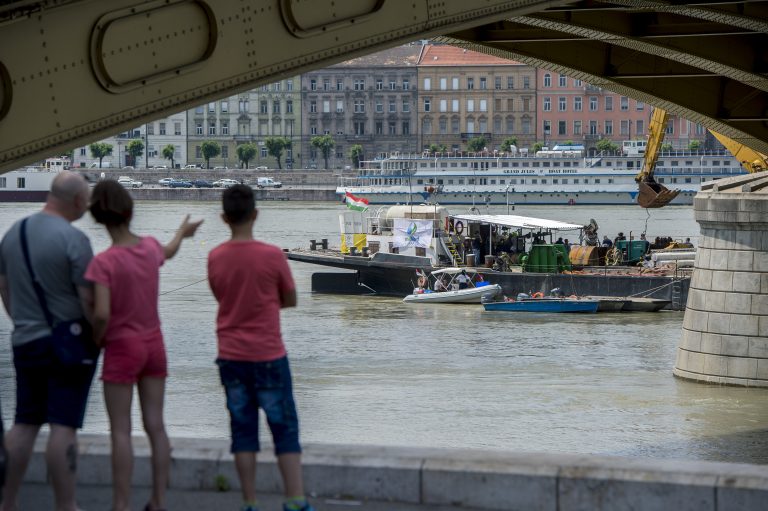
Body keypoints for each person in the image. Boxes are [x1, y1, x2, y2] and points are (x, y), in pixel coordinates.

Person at [85, 181, 202, 511]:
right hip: (154, 345)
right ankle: (158, 500)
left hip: (122, 348)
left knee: (120, 430)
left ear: (98, 218)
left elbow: (103, 314)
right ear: (129, 210)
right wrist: (182, 231)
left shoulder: (103, 263)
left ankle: (121, 504)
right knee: (156, 425)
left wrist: (96, 338)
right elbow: (170, 250)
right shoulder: (150, 247)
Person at [208, 185, 315, 511]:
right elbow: (291, 299)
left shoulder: (215, 256)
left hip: (231, 356)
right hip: (269, 354)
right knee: (284, 428)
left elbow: (220, 295)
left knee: (242, 432)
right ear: (256, 214)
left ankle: (249, 502)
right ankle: (295, 501)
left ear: (224, 218)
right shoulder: (272, 255)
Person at [0, 171, 95, 511]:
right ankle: (65, 505)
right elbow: (88, 302)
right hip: (65, 345)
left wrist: (24, 323)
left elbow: (5, 291)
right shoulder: (75, 241)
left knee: (24, 423)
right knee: (62, 426)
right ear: (78, 202)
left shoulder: (13, 234)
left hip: (25, 339)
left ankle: (6, 503)